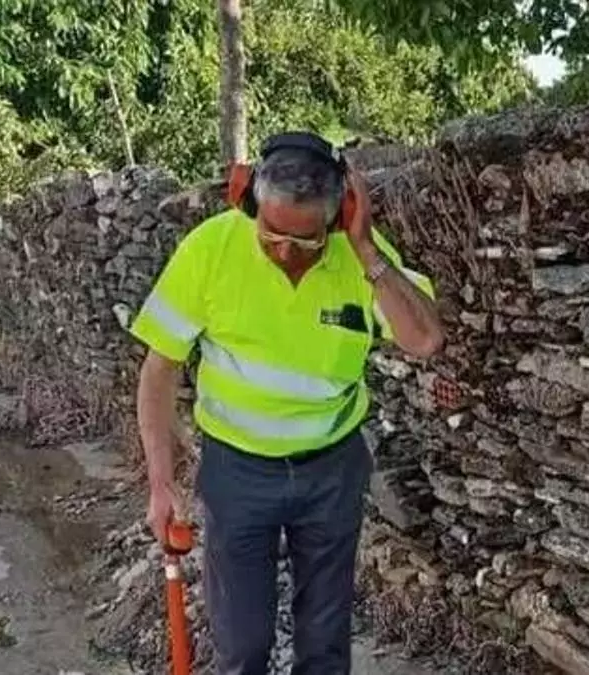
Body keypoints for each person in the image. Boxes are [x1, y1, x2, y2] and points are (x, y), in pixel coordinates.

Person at [129, 131, 444, 675]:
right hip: (237, 472)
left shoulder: (359, 256)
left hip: (331, 472)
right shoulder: (211, 249)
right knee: (243, 645)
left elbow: (425, 340)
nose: (284, 251)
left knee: (324, 647)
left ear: (339, 217)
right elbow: (159, 371)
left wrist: (368, 252)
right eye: (271, 233)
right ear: (249, 200)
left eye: (305, 241)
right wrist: (160, 482)